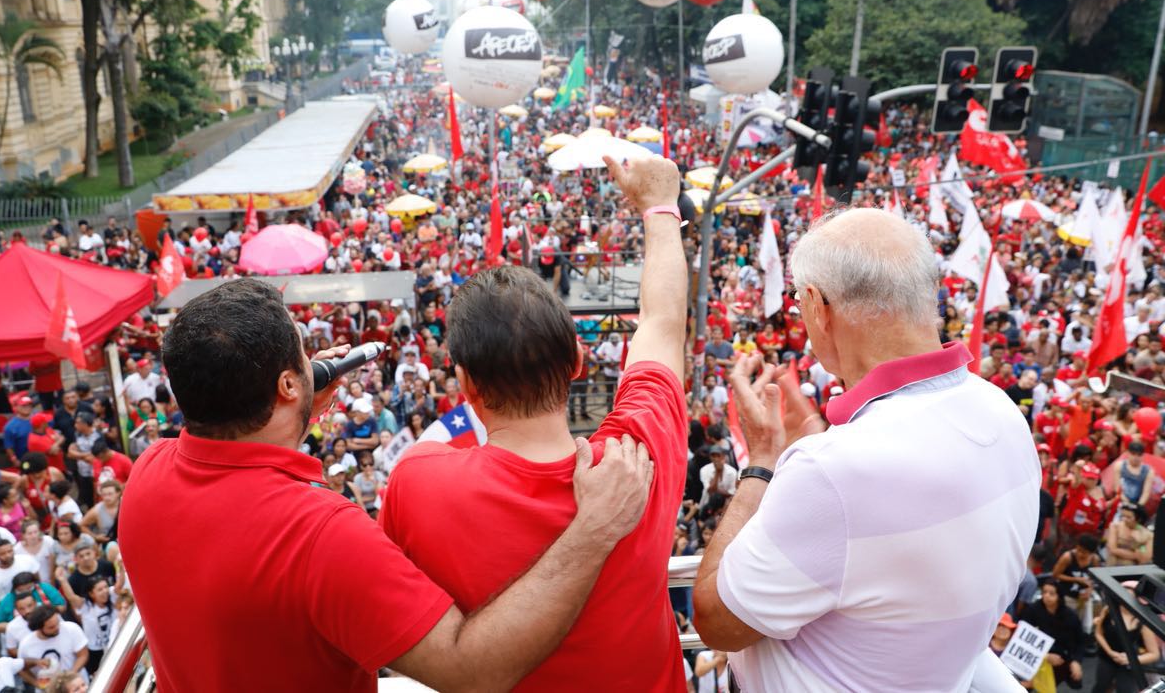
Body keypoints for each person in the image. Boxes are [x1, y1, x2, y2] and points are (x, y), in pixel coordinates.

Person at [121, 277, 654, 691]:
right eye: (303, 354)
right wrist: (593, 531)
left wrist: (291, 411)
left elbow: (234, 472)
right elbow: (470, 672)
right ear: (286, 384)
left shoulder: (147, 473)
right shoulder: (321, 536)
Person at [692, 209, 1039, 690]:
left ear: (817, 306)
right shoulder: (1002, 412)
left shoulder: (833, 473)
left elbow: (715, 621)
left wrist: (763, 462)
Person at [382, 154, 688, 690]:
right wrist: (659, 208)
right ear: (577, 361)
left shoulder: (418, 480)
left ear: (466, 385)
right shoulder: (639, 454)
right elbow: (663, 322)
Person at [17, 606, 89, 689]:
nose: (57, 628)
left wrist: (69, 678)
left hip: (80, 687)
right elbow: (21, 669)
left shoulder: (71, 629)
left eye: (57, 623)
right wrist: (38, 685)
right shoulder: (26, 645)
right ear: (39, 628)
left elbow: (83, 655)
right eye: (51, 627)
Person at [0, 540, 39, 608]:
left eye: (10, 551)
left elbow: (38, 582)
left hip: (33, 605)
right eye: (3, 553)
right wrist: (6, 612)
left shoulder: (27, 560)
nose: (7, 555)